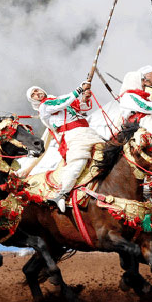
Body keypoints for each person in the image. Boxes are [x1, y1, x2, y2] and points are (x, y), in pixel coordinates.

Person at [26, 82, 103, 213]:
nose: (37, 93)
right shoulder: (45, 106)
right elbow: (63, 102)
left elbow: (81, 108)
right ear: (33, 101)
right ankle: (62, 194)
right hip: (72, 135)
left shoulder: (57, 100)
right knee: (79, 161)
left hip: (87, 131)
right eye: (33, 95)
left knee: (106, 152)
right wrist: (79, 89)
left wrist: (84, 97)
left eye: (37, 90)